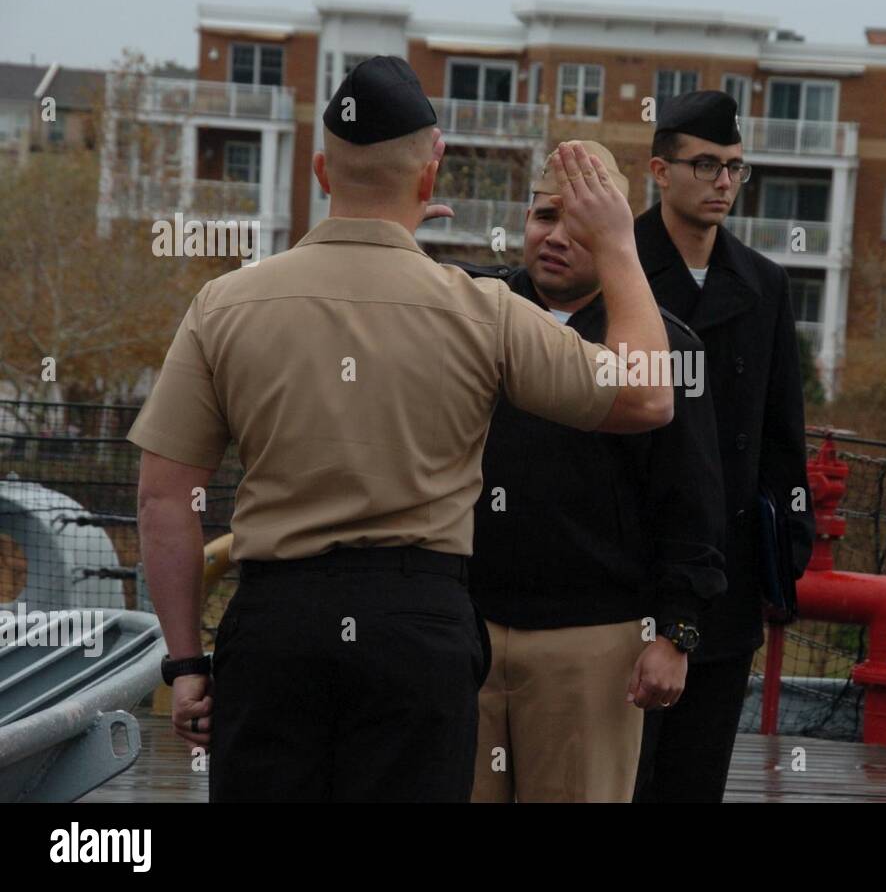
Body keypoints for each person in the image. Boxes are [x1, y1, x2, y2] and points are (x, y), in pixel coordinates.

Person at [128, 55, 673, 802]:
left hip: (277, 623)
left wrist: (188, 663)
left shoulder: (225, 304)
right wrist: (617, 246)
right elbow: (647, 396)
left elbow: (163, 499)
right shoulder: (482, 311)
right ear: (430, 174)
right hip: (417, 629)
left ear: (322, 170)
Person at [455, 141, 727, 803]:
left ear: (614, 239)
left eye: (581, 227)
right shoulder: (469, 318)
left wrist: (677, 633)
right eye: (544, 216)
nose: (556, 238)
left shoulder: (667, 348)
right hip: (465, 625)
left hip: (593, 639)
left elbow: (692, 502)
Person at [633, 90, 815, 803]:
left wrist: (786, 554)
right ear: (660, 170)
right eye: (706, 165)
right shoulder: (617, 268)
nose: (724, 182)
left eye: (735, 167)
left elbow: (783, 432)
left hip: (728, 580)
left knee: (696, 779)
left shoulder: (764, 284)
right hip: (629, 571)